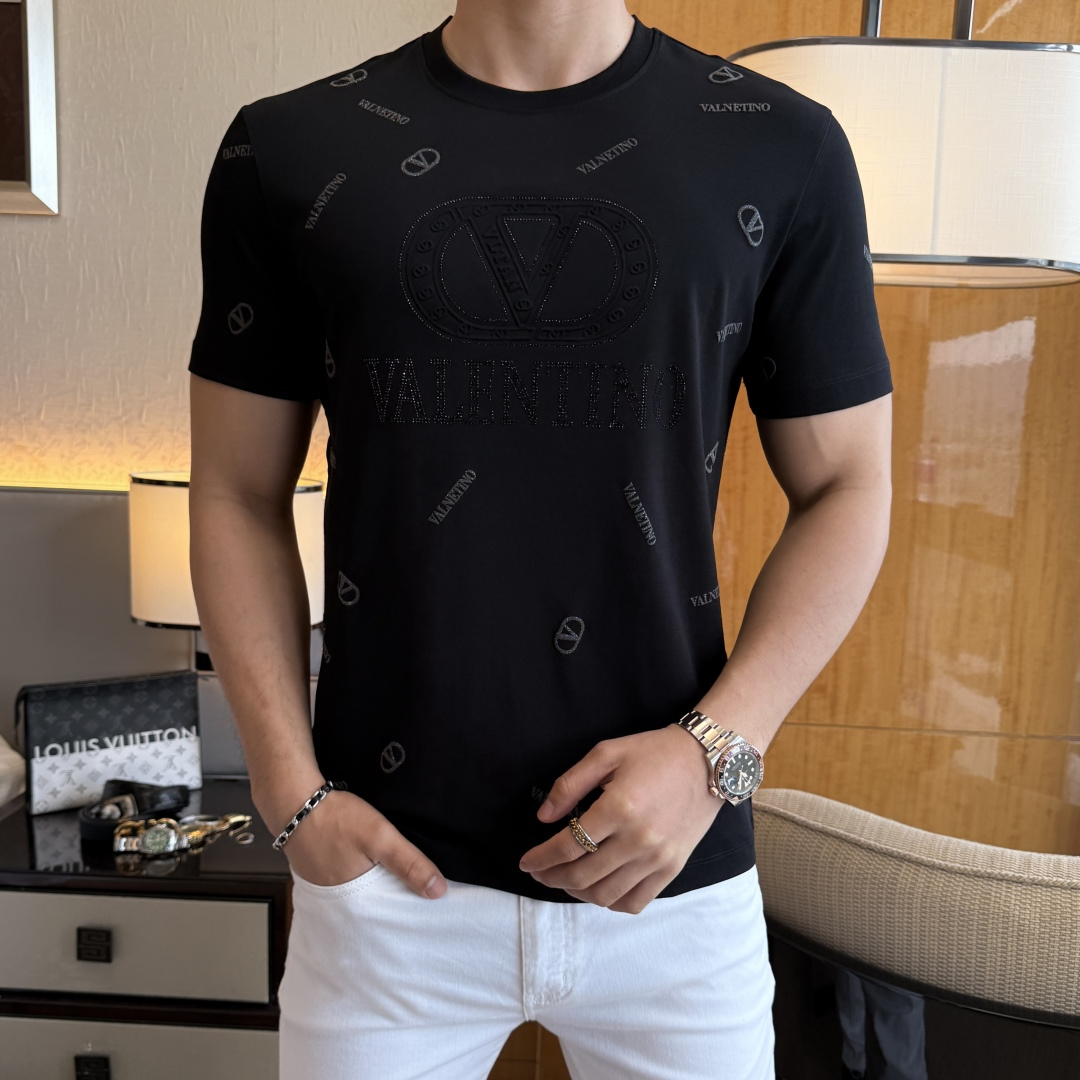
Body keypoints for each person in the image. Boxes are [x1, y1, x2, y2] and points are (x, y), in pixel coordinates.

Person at [186, 1, 893, 1077]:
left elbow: (848, 485)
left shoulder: (779, 144)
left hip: (673, 878)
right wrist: (289, 794)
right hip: (384, 883)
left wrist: (713, 758)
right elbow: (237, 492)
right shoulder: (288, 147)